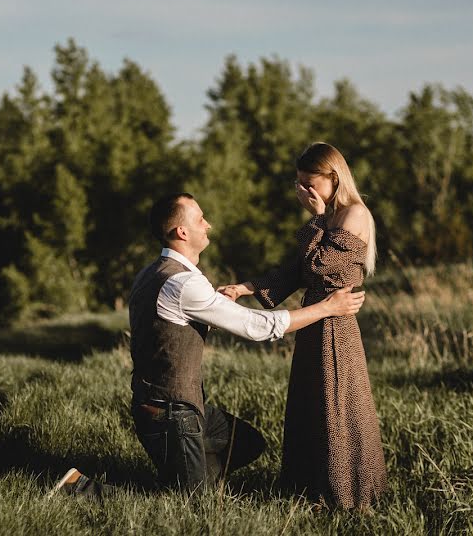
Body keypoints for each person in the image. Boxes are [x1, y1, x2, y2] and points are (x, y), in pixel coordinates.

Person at [52, 192, 365, 497]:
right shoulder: (183, 283)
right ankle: (80, 486)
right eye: (201, 219)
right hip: (170, 414)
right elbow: (260, 328)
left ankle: (190, 477)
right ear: (182, 232)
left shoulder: (153, 273)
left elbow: (173, 320)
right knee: (184, 503)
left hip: (173, 406)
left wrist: (223, 301)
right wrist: (327, 308)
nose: (208, 225)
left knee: (246, 443)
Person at [218, 142, 388, 509]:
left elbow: (320, 266)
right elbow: (295, 271)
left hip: (335, 324)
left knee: (336, 403)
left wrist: (316, 217)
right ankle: (309, 487)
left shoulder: (354, 214)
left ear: (334, 178)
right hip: (317, 316)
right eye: (299, 184)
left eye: (309, 184)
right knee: (311, 402)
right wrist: (244, 288)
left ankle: (346, 494)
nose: (303, 191)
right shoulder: (328, 218)